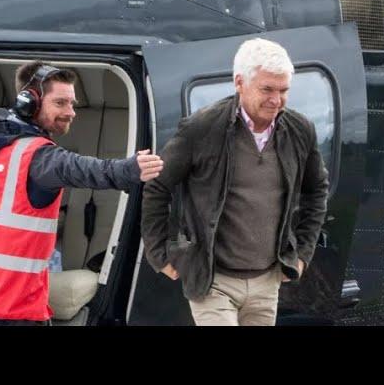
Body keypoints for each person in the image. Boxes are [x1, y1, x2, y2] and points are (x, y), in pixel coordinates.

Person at [0, 61, 163, 325]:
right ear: (30, 102)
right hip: (8, 311)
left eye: (72, 103)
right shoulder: (37, 156)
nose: (71, 112)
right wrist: (129, 169)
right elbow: (86, 169)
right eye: (60, 103)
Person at [141, 38, 329, 326]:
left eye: (283, 90)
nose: (276, 100)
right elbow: (157, 186)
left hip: (267, 280)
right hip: (212, 279)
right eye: (267, 89)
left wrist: (302, 253)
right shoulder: (201, 128)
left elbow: (317, 191)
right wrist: (159, 255)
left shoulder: (300, 130)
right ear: (239, 82)